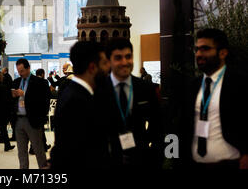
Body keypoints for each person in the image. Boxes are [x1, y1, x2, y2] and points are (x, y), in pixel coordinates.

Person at [177, 28, 248, 169]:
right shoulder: (192, 86)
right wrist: (174, 159)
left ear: (223, 53)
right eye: (197, 49)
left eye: (205, 49)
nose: (199, 54)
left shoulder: (240, 84)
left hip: (231, 164)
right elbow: (180, 127)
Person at [97, 38, 163, 167]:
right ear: (109, 60)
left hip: (140, 158)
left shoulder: (146, 88)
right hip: (108, 160)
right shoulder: (98, 90)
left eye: (128, 57)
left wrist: (150, 150)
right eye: (118, 58)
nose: (124, 62)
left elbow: (158, 123)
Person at [50, 41, 110, 169]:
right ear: (92, 67)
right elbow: (73, 151)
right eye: (105, 63)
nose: (108, 67)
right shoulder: (76, 101)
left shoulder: (77, 93)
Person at [12, 59, 51, 169]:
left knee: (39, 150)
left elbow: (43, 101)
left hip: (33, 120)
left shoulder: (40, 82)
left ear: (29, 68)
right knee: (22, 152)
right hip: (19, 120)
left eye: (22, 70)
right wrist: (13, 96)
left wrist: (24, 94)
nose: (20, 73)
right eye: (19, 71)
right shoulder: (16, 82)